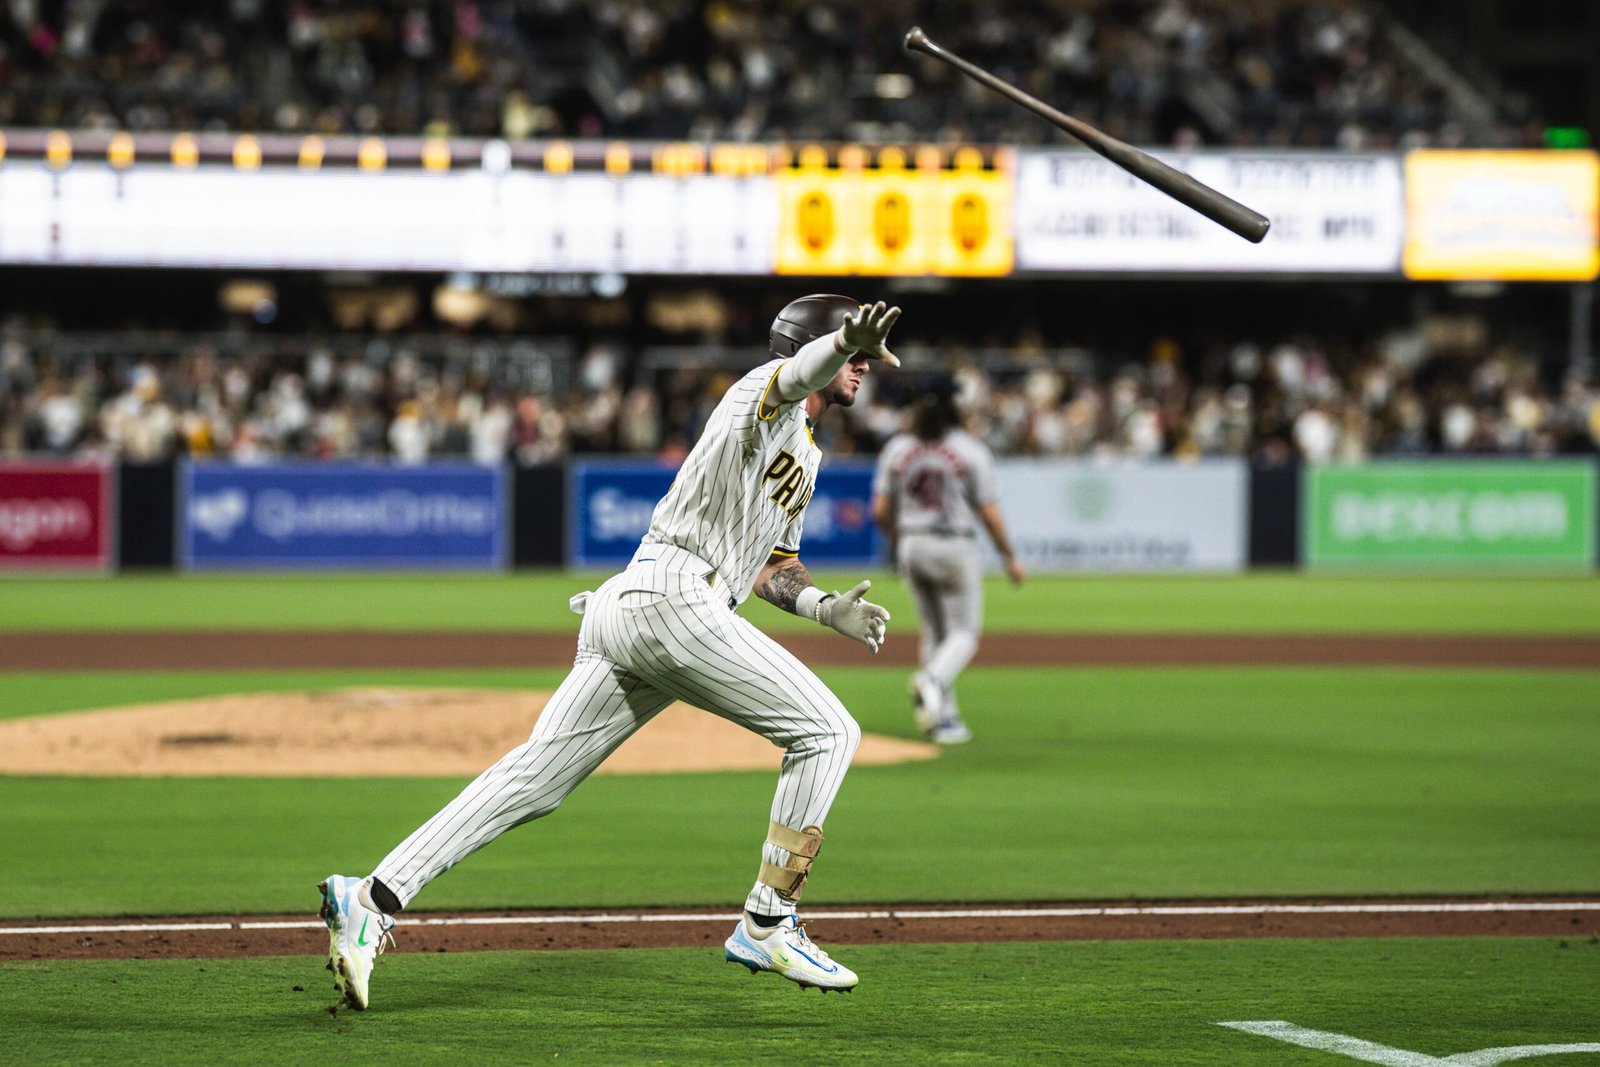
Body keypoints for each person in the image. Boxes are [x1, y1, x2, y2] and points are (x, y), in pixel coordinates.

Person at [318, 295, 904, 1009]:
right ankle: (768, 919)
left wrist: (822, 607)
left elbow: (773, 561)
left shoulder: (806, 450)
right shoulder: (764, 390)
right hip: (674, 597)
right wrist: (840, 342)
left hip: (642, 604)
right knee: (828, 729)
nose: (865, 363)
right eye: (853, 353)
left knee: (536, 779)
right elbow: (792, 376)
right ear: (816, 347)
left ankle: (370, 896)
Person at [871, 372, 1025, 744]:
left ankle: (944, 718)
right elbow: (988, 511)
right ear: (953, 404)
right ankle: (932, 681)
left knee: (934, 632)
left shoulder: (898, 448)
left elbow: (879, 510)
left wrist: (901, 539)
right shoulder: (968, 449)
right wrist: (1008, 555)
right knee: (964, 634)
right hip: (953, 544)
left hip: (911, 543)